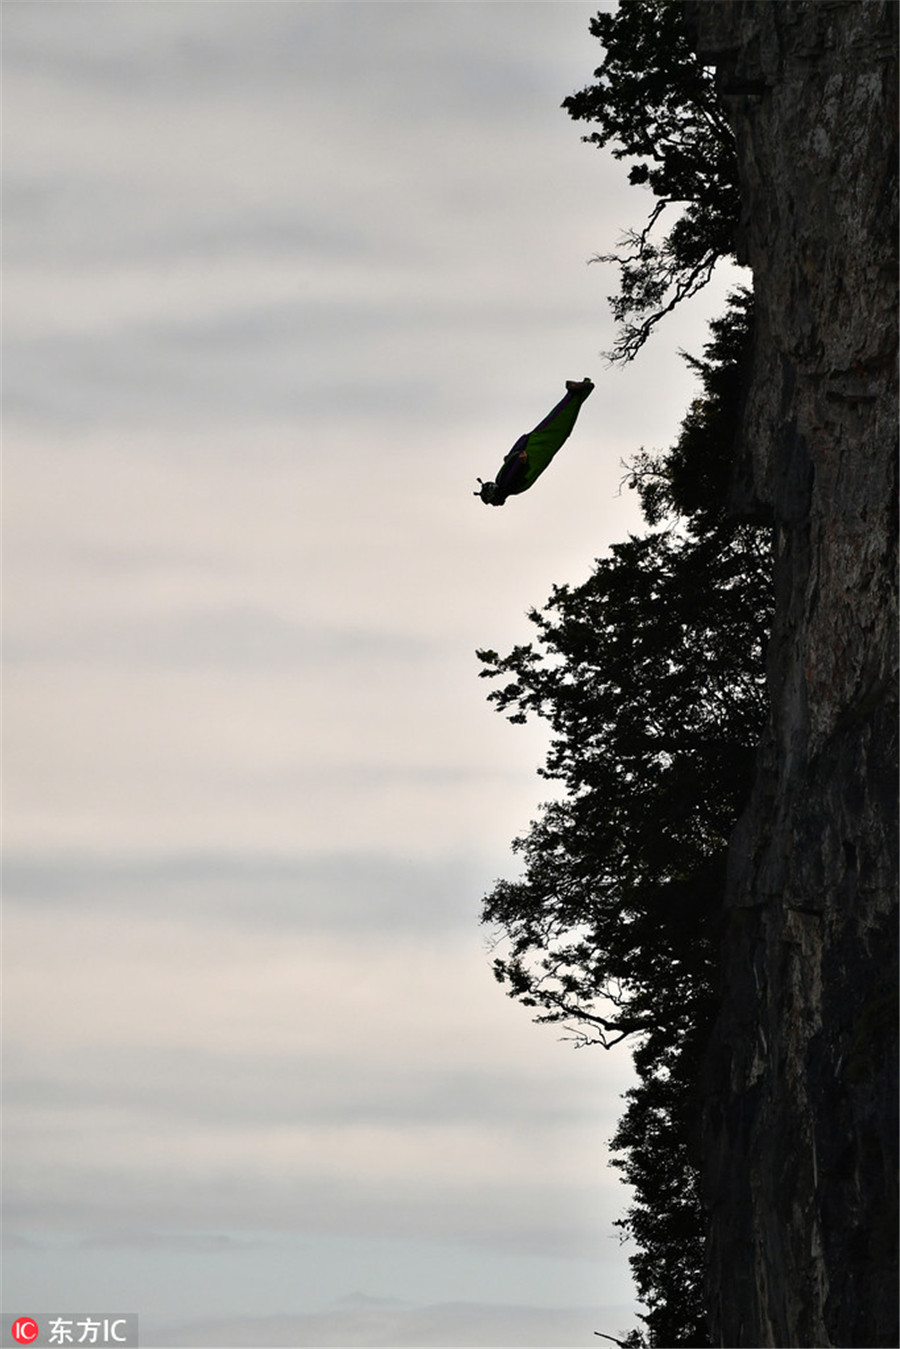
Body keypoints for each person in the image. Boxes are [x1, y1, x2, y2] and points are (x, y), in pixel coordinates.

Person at [475, 378, 594, 506]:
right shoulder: (505, 484)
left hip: (539, 450)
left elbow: (514, 465)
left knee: (560, 424)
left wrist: (513, 458)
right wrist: (519, 461)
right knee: (557, 422)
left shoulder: (510, 488)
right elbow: (517, 470)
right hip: (534, 449)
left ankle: (578, 392)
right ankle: (576, 392)